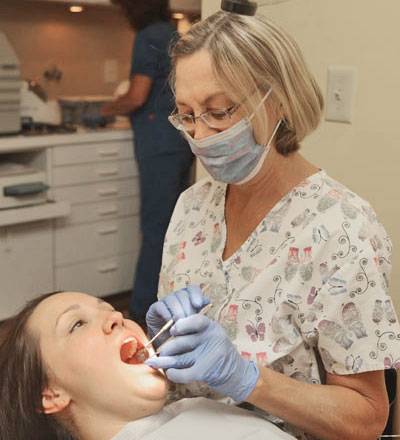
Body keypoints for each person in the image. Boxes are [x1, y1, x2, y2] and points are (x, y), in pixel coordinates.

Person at [142, 10, 400, 440]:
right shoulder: (193, 207)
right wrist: (164, 345)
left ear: (278, 101)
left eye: (219, 112)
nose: (201, 136)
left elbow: (368, 417)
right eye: (187, 115)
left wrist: (247, 378)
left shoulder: (341, 227)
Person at [0, 291, 297, 440]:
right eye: (77, 324)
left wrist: (245, 378)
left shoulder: (193, 407)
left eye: (111, 309)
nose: (118, 317)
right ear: (51, 394)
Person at [83, 0, 194, 326]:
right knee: (175, 226)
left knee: (155, 227)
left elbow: (136, 95)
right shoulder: (172, 33)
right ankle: (168, 304)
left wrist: (100, 111)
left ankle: (142, 310)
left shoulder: (147, 35)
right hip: (178, 142)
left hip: (158, 145)